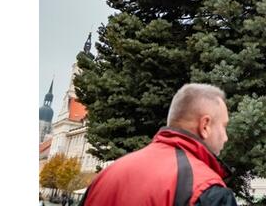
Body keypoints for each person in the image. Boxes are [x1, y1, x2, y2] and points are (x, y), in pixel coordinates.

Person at [82, 83, 236, 206]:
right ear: (205, 126)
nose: (226, 137)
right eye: (224, 126)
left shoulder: (107, 175)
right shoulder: (207, 190)